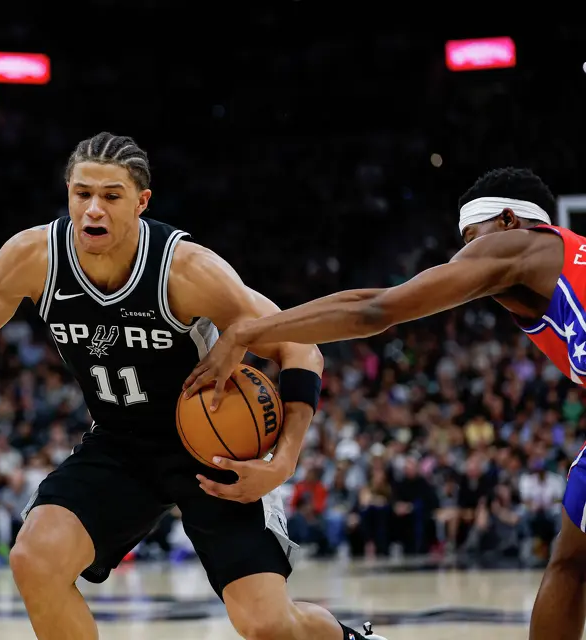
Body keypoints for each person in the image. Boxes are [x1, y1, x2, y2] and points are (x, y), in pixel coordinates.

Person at [0, 132, 383, 640]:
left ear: (141, 201)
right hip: (120, 443)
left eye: (110, 196)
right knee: (33, 557)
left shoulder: (185, 269)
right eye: (81, 194)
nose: (92, 210)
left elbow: (301, 347)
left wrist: (283, 461)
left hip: (213, 449)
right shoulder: (33, 256)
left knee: (266, 624)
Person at [182, 166, 586, 640]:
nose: (465, 256)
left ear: (510, 220)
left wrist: (250, 330)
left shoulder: (517, 246)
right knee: (571, 560)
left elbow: (374, 308)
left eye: (472, 238)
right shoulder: (562, 264)